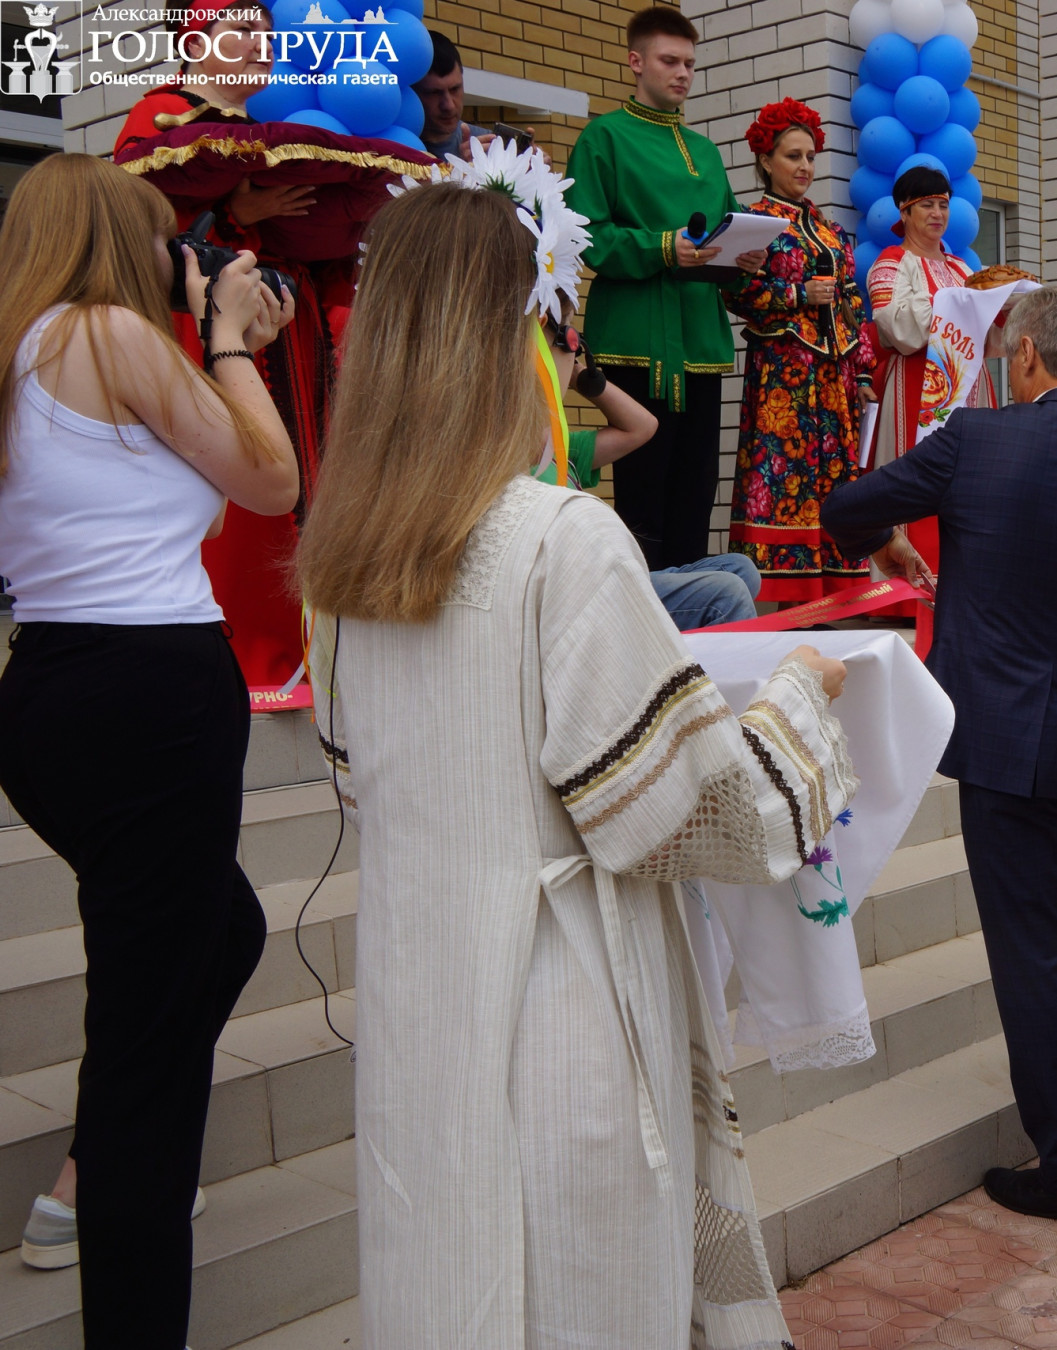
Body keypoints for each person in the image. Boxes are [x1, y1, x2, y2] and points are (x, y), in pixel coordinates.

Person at [294, 181, 855, 1348]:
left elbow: (359, 775)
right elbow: (696, 818)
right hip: (559, 995)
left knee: (447, 1267)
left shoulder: (340, 565)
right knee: (570, 1285)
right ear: (513, 337)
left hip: (421, 989)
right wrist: (803, 701)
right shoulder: (560, 537)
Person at [0, 153, 297, 1342]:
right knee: (145, 1052)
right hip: (148, 701)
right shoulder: (113, 334)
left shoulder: (25, 346)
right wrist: (228, 339)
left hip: (61, 692)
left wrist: (228, 353)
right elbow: (270, 483)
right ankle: (112, 1209)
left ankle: (96, 1176)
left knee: (222, 930)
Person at [824, 285, 1057, 1232]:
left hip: (1007, 739)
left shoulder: (978, 440)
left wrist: (883, 541)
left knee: (1032, 955)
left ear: (1024, 359)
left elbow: (846, 505)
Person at [115, 0, 341, 688]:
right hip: (202, 340)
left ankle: (294, 647)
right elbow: (139, 234)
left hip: (280, 337)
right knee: (233, 488)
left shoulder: (276, 134)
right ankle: (236, 653)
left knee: (294, 483)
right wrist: (237, 213)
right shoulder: (160, 115)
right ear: (195, 40)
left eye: (266, 35)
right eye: (240, 31)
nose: (258, 44)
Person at [563, 5, 766, 571]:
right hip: (636, 340)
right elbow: (586, 238)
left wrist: (742, 257)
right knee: (642, 500)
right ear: (636, 61)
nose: (682, 73)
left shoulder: (704, 150)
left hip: (698, 341)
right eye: (669, 60)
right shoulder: (603, 137)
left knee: (696, 497)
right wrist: (660, 247)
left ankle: (692, 639)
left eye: (690, 64)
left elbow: (722, 231)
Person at [722, 98, 875, 602]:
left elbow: (852, 300)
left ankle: (834, 596)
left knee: (833, 481)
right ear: (766, 160)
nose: (805, 167)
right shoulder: (752, 221)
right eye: (792, 156)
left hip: (832, 380)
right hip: (784, 375)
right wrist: (797, 295)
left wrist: (863, 367)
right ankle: (786, 597)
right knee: (783, 476)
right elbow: (736, 294)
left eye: (810, 156)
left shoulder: (829, 228)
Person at [539, 314, 758, 628]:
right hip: (589, 596)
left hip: (614, 579)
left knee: (740, 569)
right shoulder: (524, 449)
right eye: (567, 339)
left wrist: (584, 380)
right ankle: (712, 675)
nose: (574, 349)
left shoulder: (561, 446)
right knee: (728, 594)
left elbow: (642, 427)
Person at [864, 165, 998, 648]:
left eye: (943, 203)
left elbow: (992, 338)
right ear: (904, 210)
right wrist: (952, 304)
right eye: (927, 204)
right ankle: (904, 593)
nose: (938, 213)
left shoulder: (964, 267)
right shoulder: (889, 263)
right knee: (915, 480)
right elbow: (894, 329)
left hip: (970, 386)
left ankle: (969, 590)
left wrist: (1004, 306)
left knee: (972, 483)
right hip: (917, 385)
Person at [416, 32, 487, 161]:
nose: (448, 105)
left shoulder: (486, 145)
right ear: (413, 93)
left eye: (455, 89)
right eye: (434, 93)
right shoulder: (390, 151)